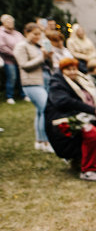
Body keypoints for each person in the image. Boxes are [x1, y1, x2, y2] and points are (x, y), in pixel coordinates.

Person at [45, 57, 96, 181]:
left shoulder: (82, 79)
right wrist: (93, 111)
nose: (72, 72)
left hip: (90, 116)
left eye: (74, 69)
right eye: (68, 70)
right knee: (91, 133)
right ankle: (88, 170)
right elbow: (64, 102)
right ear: (62, 70)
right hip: (67, 119)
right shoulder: (57, 83)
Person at [14, 23, 52, 153]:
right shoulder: (21, 46)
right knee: (46, 109)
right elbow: (24, 65)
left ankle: (40, 141)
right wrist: (42, 57)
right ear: (26, 33)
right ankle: (47, 141)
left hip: (46, 80)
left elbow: (48, 64)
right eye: (34, 34)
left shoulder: (39, 45)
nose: (37, 36)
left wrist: (48, 56)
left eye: (39, 34)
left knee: (40, 112)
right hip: (32, 83)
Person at [0, 14, 28, 104]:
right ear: (3, 22)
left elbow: (25, 43)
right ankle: (9, 96)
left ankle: (24, 95)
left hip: (20, 60)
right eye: (8, 21)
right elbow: (2, 47)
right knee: (12, 78)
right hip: (9, 60)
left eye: (12, 21)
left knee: (22, 77)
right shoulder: (1, 33)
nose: (11, 23)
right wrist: (15, 54)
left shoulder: (17, 33)